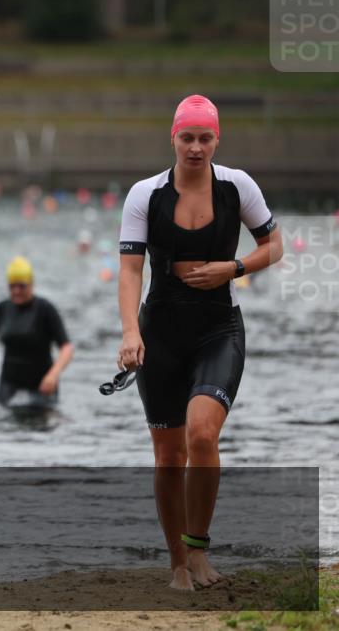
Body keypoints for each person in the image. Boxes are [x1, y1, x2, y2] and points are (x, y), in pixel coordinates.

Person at [116, 95, 283, 591]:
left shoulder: (238, 186)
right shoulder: (145, 195)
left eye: (204, 138)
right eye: (186, 137)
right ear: (173, 138)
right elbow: (130, 270)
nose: (195, 147)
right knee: (168, 456)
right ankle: (176, 564)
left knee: (203, 434)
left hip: (218, 329)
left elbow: (274, 244)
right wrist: (130, 333)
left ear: (217, 140)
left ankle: (199, 549)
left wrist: (234, 268)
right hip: (160, 334)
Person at [0, 256, 73, 411]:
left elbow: (67, 348)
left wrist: (53, 375)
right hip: (9, 384)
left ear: (31, 284)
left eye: (22, 286)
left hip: (42, 385)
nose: (16, 291)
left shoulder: (45, 309)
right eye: (12, 286)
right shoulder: (2, 309)